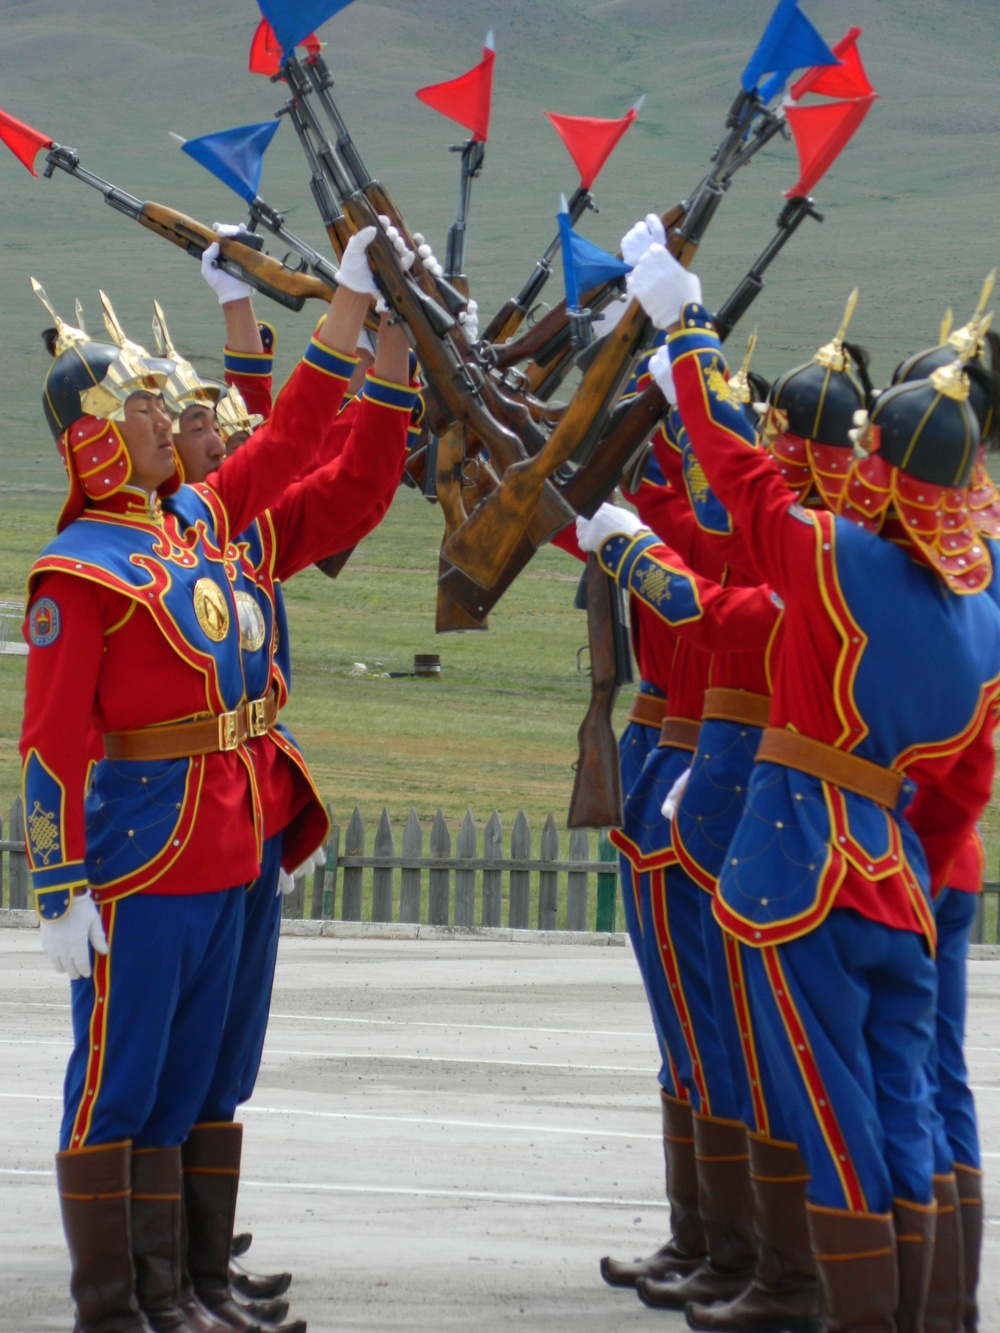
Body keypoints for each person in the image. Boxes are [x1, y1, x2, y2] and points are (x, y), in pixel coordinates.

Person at [626, 234, 1000, 1331]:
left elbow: (737, 482)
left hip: (807, 863)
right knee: (910, 1113)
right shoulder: (982, 615)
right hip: (899, 868)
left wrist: (683, 328)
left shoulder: (836, 555)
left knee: (832, 1116)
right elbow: (956, 782)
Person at [19, 225, 387, 1333]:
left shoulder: (194, 521)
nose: (158, 418)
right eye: (134, 405)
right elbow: (48, 744)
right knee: (119, 1081)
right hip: (141, 852)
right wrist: (57, 887)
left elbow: (288, 439)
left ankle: (173, 1286)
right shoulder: (79, 570)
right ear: (88, 435)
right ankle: (110, 1302)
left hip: (224, 846)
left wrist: (350, 315)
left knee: (184, 1078)